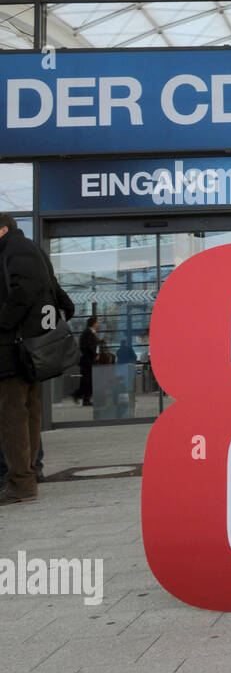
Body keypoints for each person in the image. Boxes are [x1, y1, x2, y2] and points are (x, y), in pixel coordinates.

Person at [0, 215, 75, 503]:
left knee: (12, 416)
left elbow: (24, 291)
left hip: (14, 350)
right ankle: (28, 476)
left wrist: (4, 322)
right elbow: (61, 298)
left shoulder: (15, 250)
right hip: (29, 350)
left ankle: (21, 482)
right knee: (28, 411)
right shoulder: (33, 250)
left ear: (3, 229)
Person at [73, 315, 101, 406]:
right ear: (93, 323)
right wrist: (95, 355)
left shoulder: (91, 332)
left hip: (89, 360)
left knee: (87, 381)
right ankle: (81, 397)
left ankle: (83, 397)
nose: (98, 324)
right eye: (97, 322)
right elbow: (88, 346)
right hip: (87, 361)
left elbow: (92, 344)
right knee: (88, 381)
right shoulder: (88, 332)